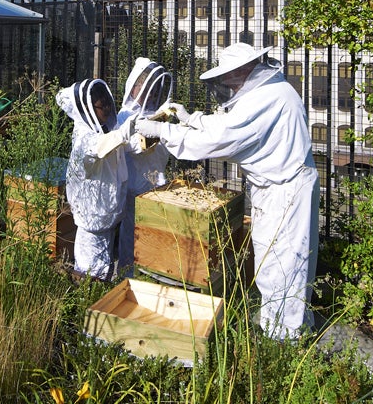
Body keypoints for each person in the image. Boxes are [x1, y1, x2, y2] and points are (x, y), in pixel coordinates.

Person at [135, 43, 319, 340]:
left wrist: (164, 131)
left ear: (243, 70)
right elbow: (230, 124)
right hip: (278, 186)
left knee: (283, 264)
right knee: (272, 259)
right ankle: (278, 326)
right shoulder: (267, 93)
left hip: (285, 190)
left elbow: (223, 139)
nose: (228, 83)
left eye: (230, 76)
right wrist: (191, 119)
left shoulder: (268, 98)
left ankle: (285, 338)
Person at [56, 78, 131, 280]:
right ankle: (85, 304)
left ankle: (95, 298)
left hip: (105, 218)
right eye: (101, 104)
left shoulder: (104, 130)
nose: (106, 107)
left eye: (107, 101)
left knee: (102, 269)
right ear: (86, 108)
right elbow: (100, 147)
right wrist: (129, 128)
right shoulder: (84, 137)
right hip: (91, 221)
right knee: (89, 273)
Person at [115, 57, 173, 274]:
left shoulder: (157, 114)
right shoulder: (124, 116)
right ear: (134, 87)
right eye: (143, 86)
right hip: (134, 188)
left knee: (155, 238)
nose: (149, 90)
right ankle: (127, 277)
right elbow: (132, 146)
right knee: (132, 236)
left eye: (152, 86)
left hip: (158, 184)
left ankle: (149, 276)